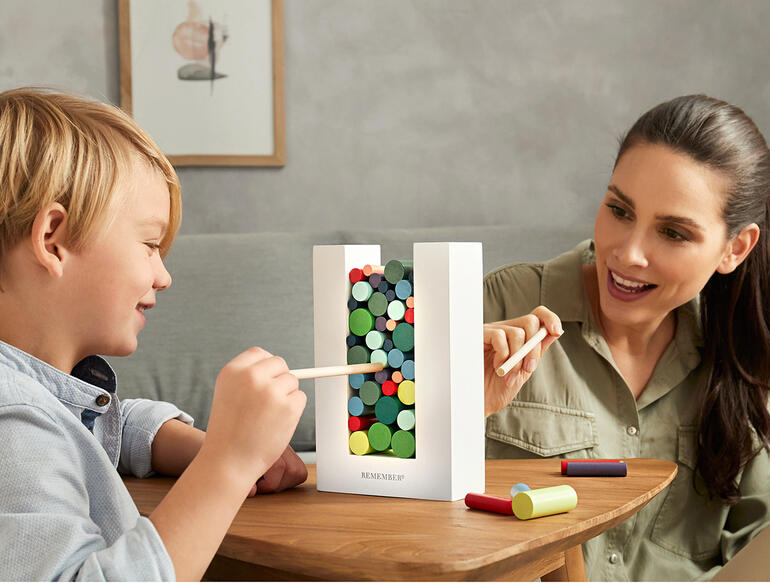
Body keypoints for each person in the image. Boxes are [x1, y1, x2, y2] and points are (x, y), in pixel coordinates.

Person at [0, 87, 308, 581]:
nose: (163, 276)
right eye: (148, 244)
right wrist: (228, 463)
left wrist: (193, 443)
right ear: (53, 240)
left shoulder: (38, 400)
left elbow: (102, 428)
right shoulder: (15, 419)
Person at [483, 94, 770, 581]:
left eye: (674, 233)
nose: (628, 253)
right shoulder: (500, 305)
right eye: (619, 210)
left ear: (735, 249)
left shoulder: (743, 357)